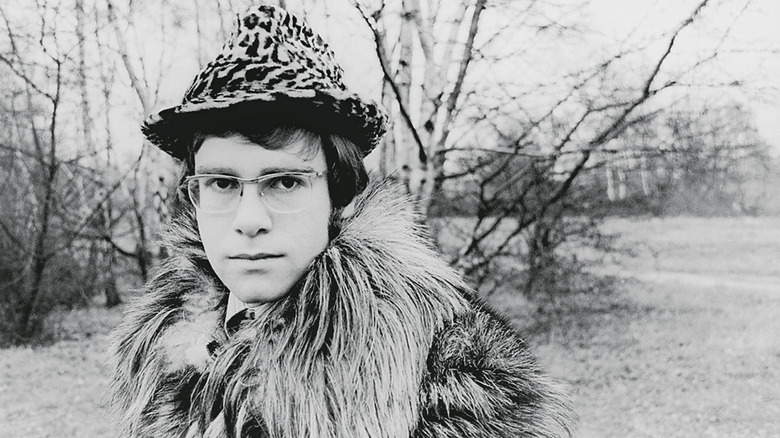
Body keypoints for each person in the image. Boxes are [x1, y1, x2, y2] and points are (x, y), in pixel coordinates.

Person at [107, 4, 576, 437]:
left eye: (285, 182)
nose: (249, 221)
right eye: (222, 184)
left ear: (339, 196)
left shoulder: (454, 374)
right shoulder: (162, 350)